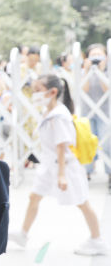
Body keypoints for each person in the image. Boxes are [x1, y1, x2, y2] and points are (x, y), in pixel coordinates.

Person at [9, 74, 108, 256]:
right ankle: (23, 233)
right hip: (50, 166)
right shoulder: (51, 112)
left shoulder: (58, 116)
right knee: (34, 197)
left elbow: (61, 145)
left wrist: (61, 174)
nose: (35, 94)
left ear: (52, 92)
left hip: (65, 166)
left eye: (38, 90)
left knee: (82, 202)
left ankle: (97, 240)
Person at [81, 44, 110, 188]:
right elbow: (83, 90)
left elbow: (107, 90)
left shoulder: (107, 71)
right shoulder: (84, 72)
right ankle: (86, 172)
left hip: (105, 113)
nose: (96, 58)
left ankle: (109, 172)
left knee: (107, 144)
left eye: (100, 55)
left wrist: (102, 70)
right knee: (86, 142)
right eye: (93, 55)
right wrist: (87, 70)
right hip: (88, 113)